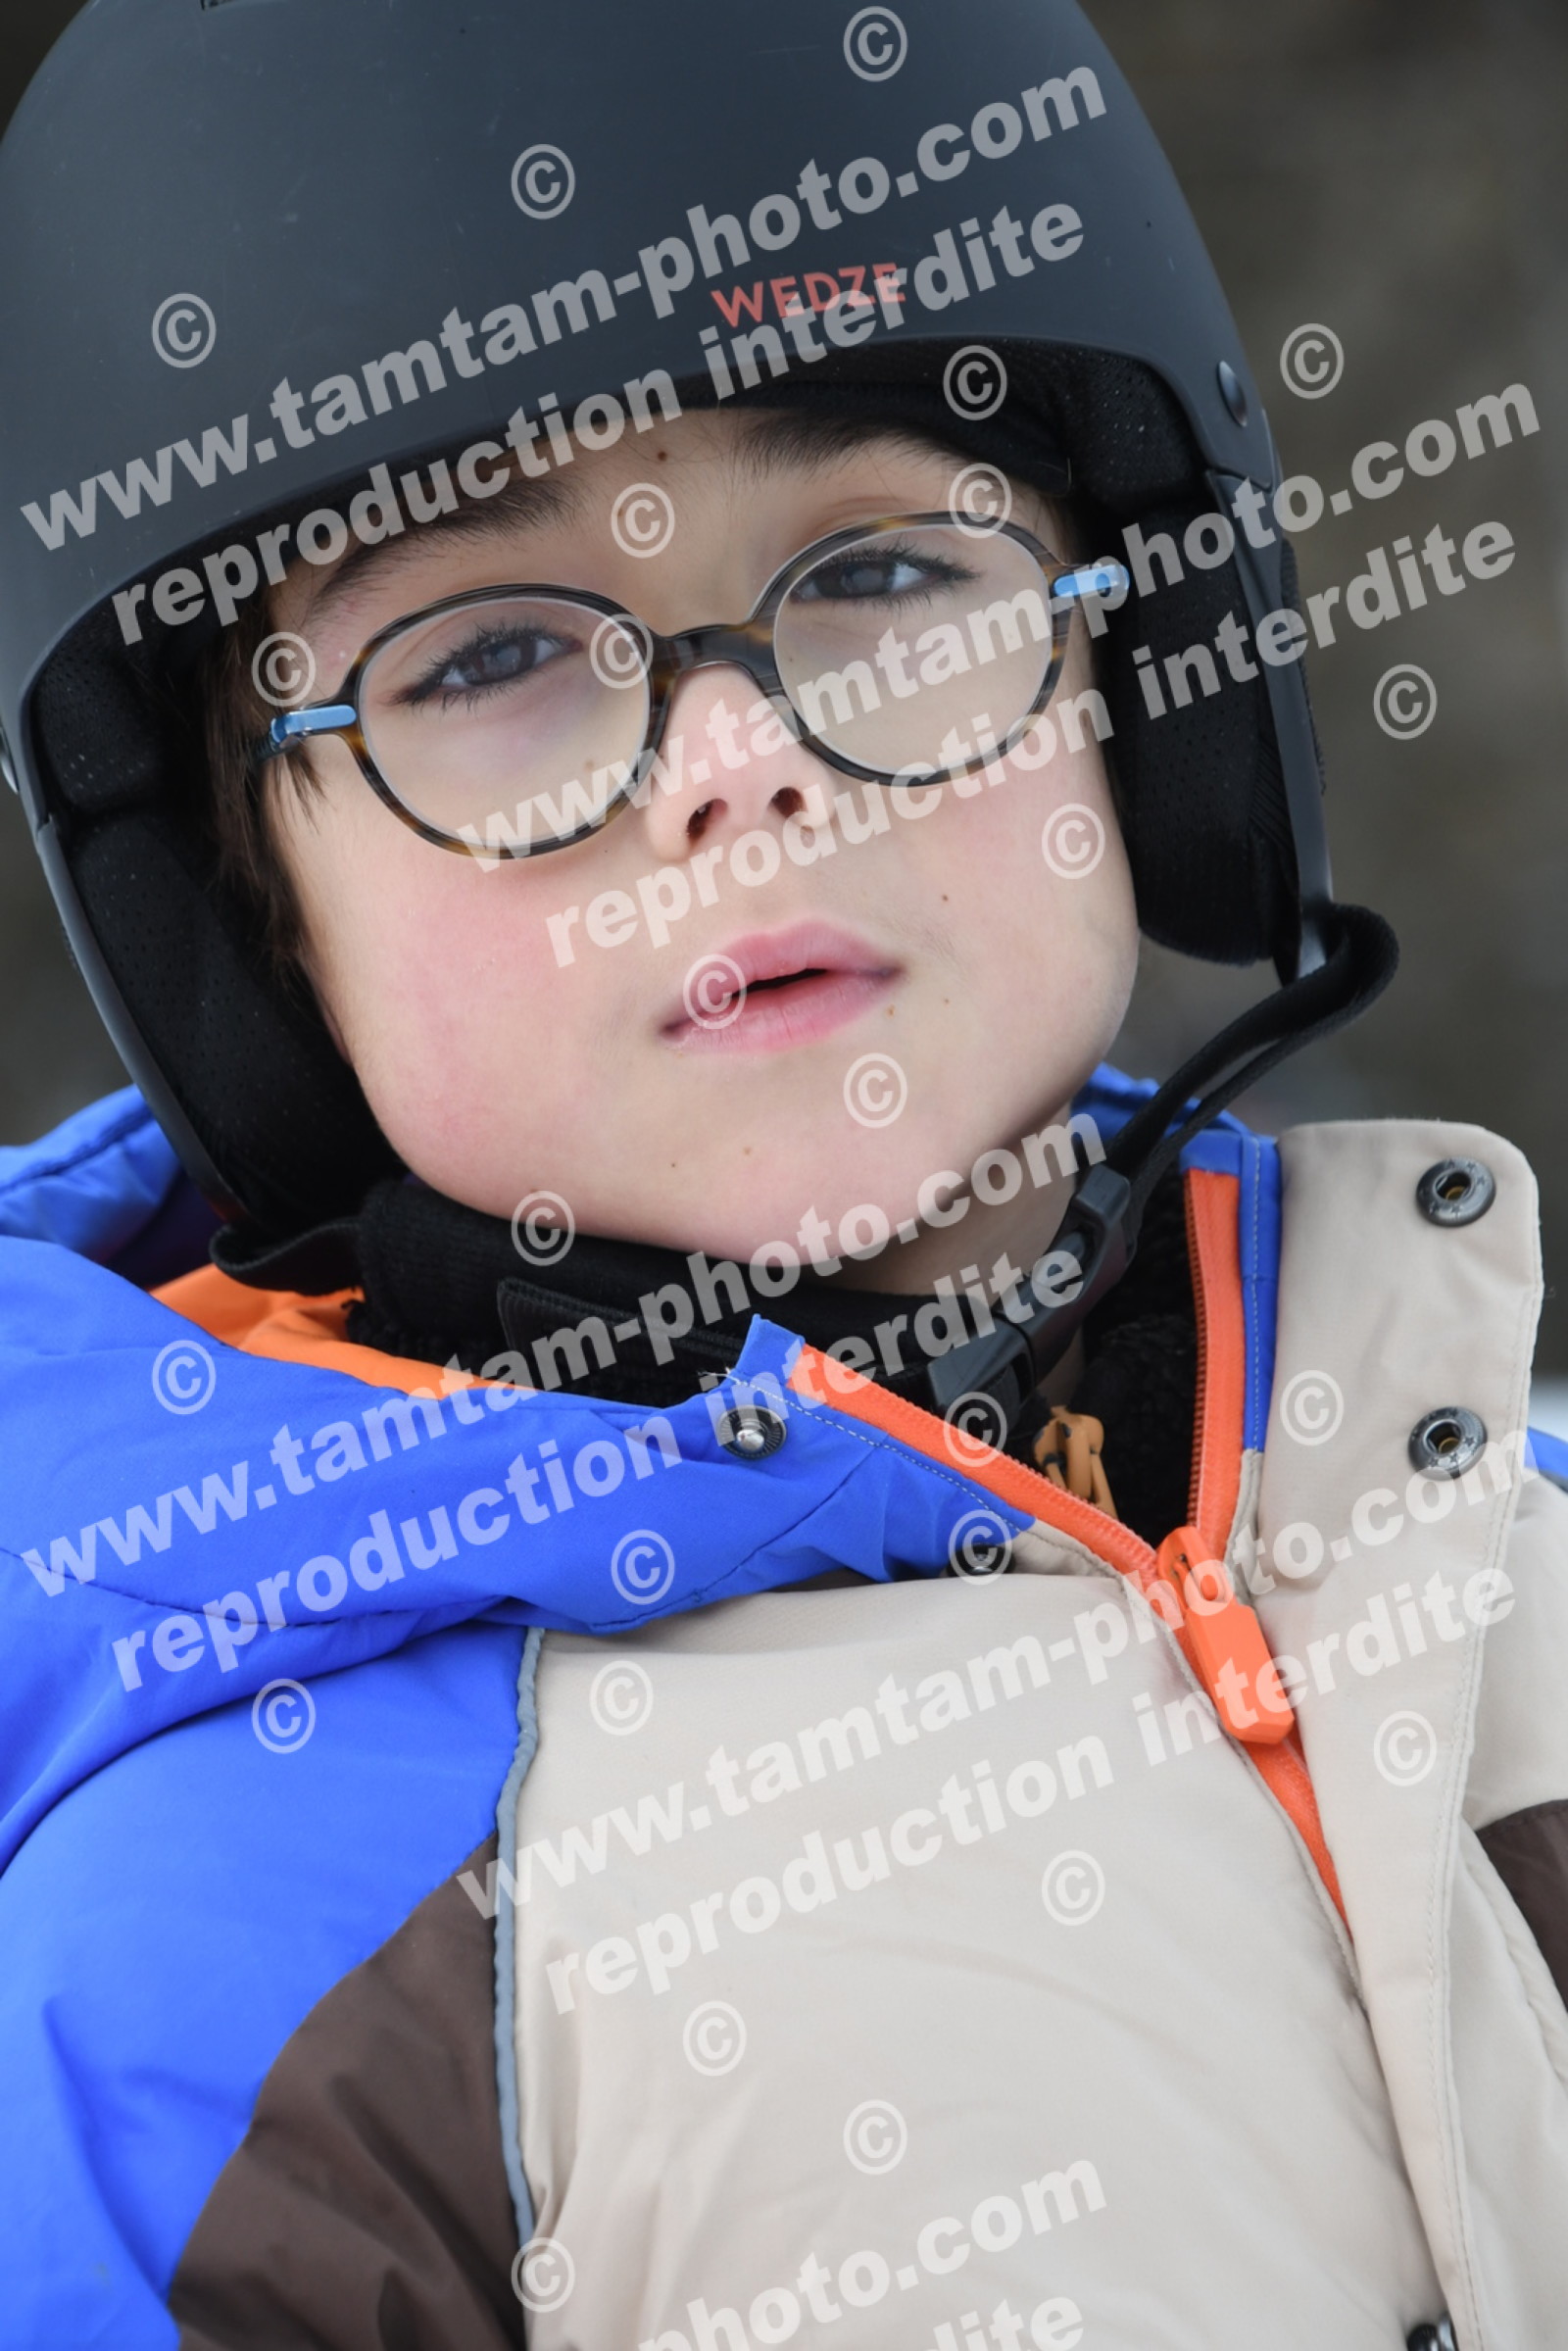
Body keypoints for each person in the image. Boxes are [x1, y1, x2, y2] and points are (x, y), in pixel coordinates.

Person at [0, 2, 1562, 2346]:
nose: (733, 762)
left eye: (885, 578)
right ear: (254, 930)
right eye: (490, 658)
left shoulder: (1510, 1555)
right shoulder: (214, 1962)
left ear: (1143, 688)